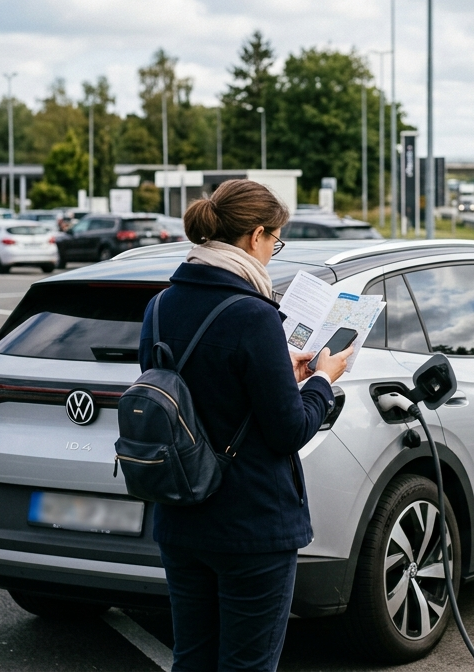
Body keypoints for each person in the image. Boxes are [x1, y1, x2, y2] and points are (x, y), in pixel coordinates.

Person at [139, 179, 352, 671]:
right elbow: (289, 430)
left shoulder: (159, 306)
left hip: (180, 515)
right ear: (256, 235)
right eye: (275, 241)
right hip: (250, 525)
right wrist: (321, 379)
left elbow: (191, 396)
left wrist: (283, 370)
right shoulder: (254, 315)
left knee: (191, 657)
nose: (273, 253)